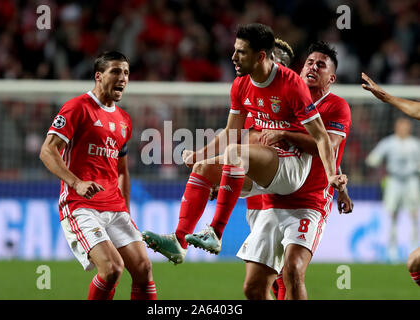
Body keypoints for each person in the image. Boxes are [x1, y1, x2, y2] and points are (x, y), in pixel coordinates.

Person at [142, 23, 347, 268]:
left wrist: (334, 176)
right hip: (262, 172)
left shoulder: (292, 85)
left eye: (241, 52)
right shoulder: (240, 85)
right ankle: (178, 242)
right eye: (235, 50)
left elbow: (323, 138)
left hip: (292, 166)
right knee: (203, 169)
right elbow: (231, 132)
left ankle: (215, 232)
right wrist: (199, 155)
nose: (233, 57)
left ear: (261, 56)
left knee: (235, 154)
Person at [39, 51, 157, 300]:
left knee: (144, 268)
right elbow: (47, 151)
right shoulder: (77, 108)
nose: (122, 78)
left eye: (125, 72)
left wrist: (125, 210)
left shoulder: (124, 120)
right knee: (113, 269)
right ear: (98, 76)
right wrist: (76, 183)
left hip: (115, 208)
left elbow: (122, 170)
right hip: (81, 205)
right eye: (115, 71)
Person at [365, 117, 420, 262]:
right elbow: (372, 159)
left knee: (414, 213)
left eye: (405, 126)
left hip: (411, 180)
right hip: (394, 180)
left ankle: (414, 247)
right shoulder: (388, 142)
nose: (403, 129)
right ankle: (392, 248)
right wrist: (378, 165)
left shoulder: (415, 144)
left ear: (410, 128)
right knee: (393, 213)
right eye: (400, 126)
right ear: (396, 127)